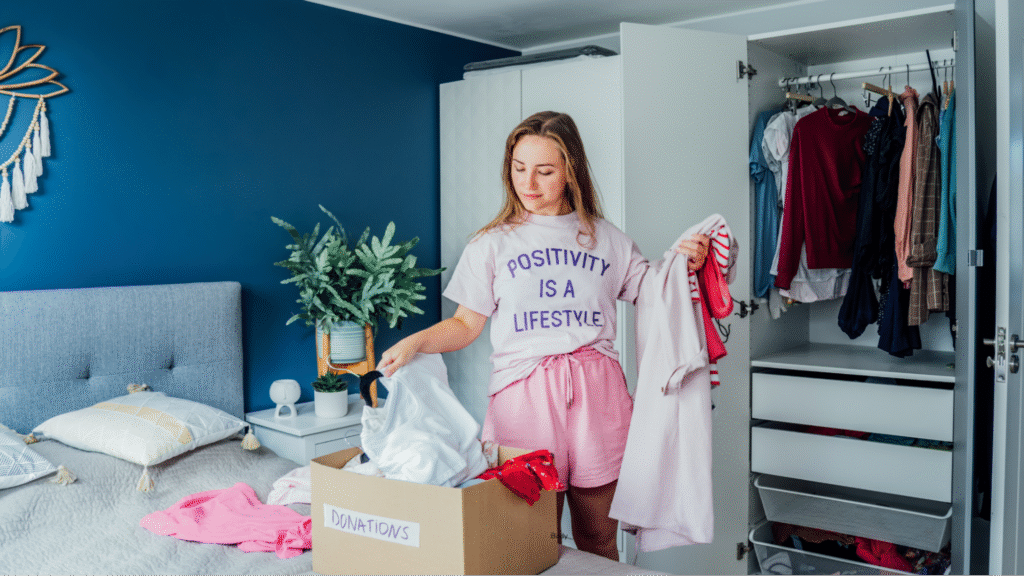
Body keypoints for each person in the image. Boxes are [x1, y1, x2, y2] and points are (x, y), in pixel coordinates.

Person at [378, 111, 709, 561]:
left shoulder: (608, 240)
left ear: (571, 170)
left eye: (544, 171)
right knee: (530, 543)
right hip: (524, 400)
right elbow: (466, 324)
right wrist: (414, 342)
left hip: (598, 398)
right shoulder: (491, 244)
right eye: (518, 168)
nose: (528, 183)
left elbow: (659, 293)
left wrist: (684, 262)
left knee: (599, 539)